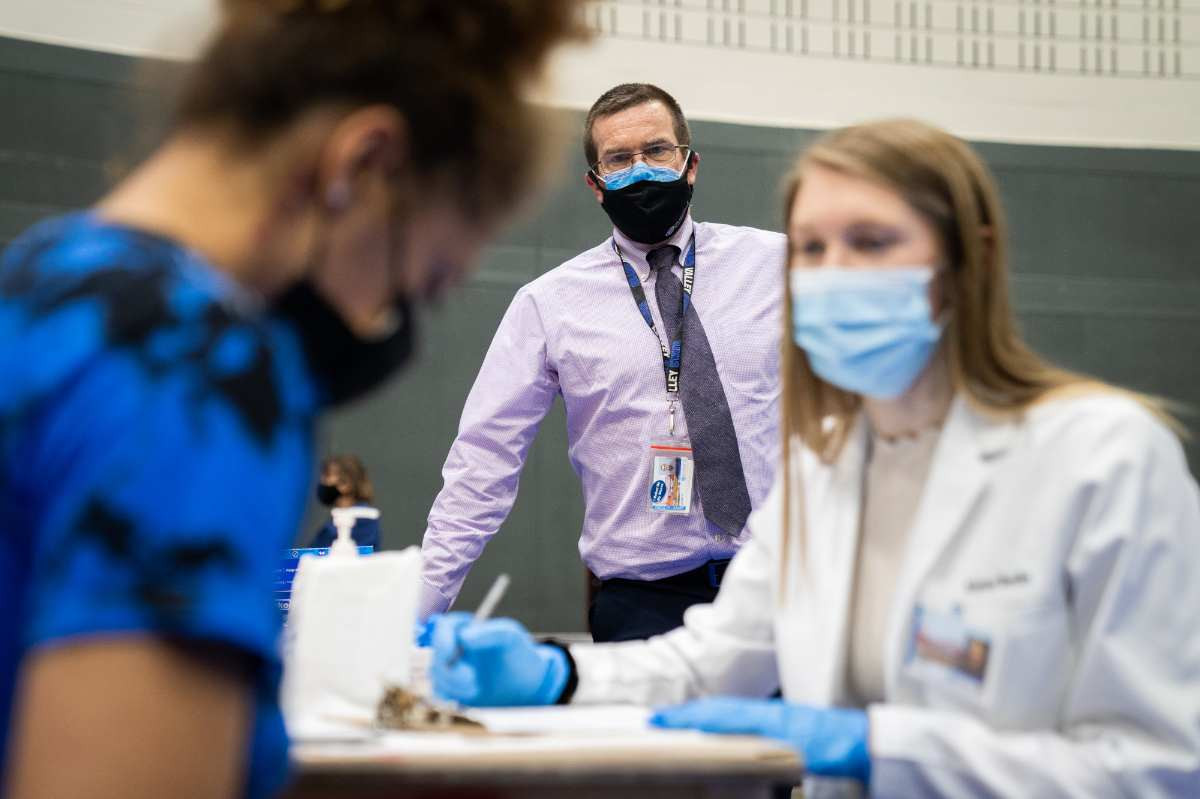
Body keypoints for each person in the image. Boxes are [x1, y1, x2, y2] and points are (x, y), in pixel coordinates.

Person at [427, 119, 1200, 796]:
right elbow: (711, 664)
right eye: (816, 250)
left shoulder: (1105, 458)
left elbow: (1160, 766)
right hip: (643, 590)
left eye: (871, 242)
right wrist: (558, 674)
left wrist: (881, 750)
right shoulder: (823, 478)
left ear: (969, 255)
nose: (832, 275)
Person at [0, 2, 584, 798]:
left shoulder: (41, 280)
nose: (390, 320)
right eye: (422, 278)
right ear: (361, 166)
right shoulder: (198, 374)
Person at [420, 83, 787, 642]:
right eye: (619, 159)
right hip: (643, 602)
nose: (640, 170)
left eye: (658, 151)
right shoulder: (548, 304)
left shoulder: (776, 267)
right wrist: (415, 611)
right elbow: (483, 460)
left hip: (780, 588)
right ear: (595, 184)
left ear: (690, 165)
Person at [308, 454, 381, 549]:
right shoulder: (337, 520)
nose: (322, 481)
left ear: (345, 484)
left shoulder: (362, 520)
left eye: (327, 476)